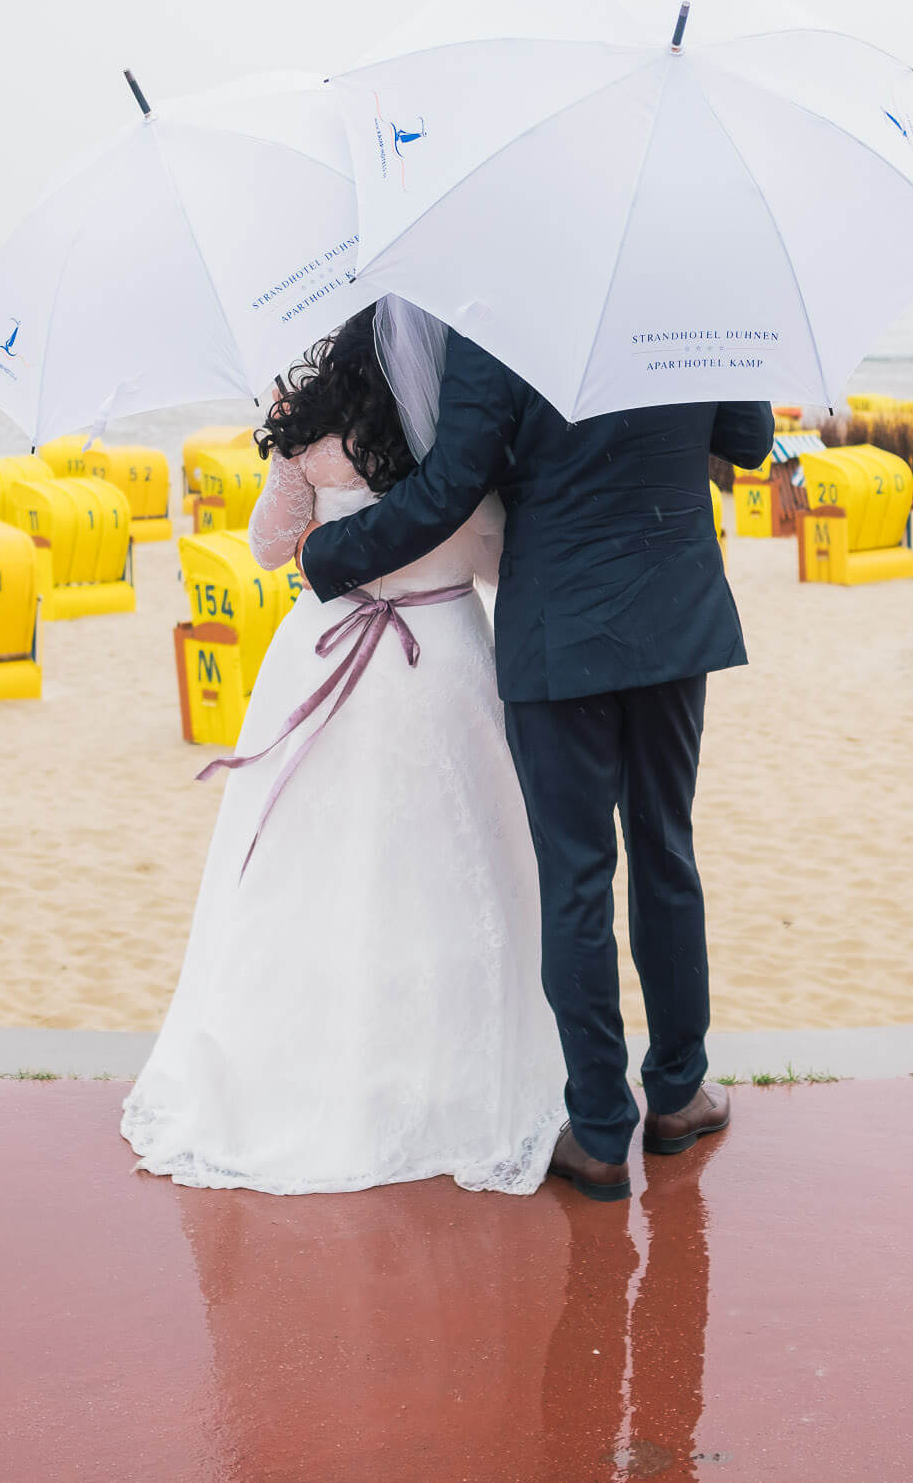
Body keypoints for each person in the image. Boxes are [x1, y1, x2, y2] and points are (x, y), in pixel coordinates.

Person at [299, 326, 772, 1202]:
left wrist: (328, 555)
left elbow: (451, 485)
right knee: (667, 852)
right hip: (676, 613)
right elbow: (747, 438)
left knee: (576, 879)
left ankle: (597, 1134)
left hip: (560, 632)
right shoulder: (694, 302)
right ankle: (678, 1094)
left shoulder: (504, 319)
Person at [121, 303, 566, 1196]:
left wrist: (335, 534)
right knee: (452, 862)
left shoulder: (311, 431)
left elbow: (268, 546)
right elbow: (489, 558)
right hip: (438, 654)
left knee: (316, 866)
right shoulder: (455, 437)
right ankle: (445, 1078)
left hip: (322, 649)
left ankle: (310, 1073)